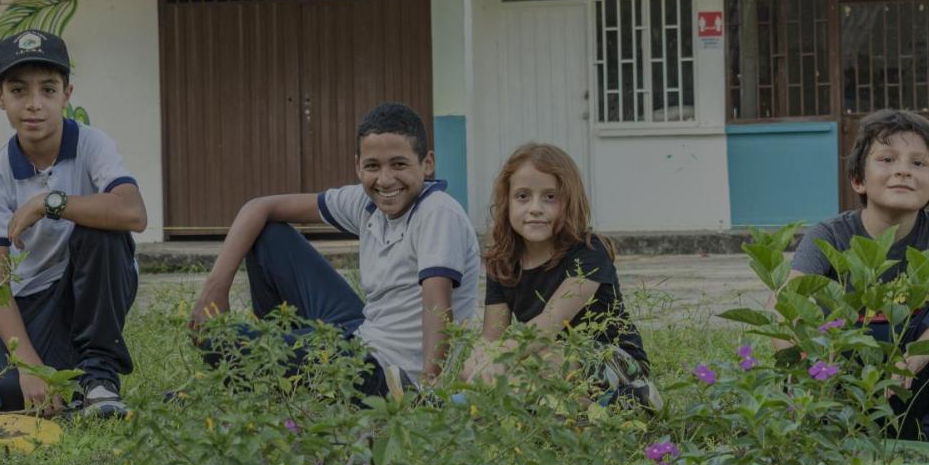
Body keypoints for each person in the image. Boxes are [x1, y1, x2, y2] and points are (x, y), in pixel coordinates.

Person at [192, 101, 480, 395]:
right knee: (269, 234)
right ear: (358, 166)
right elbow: (259, 207)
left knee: (224, 342)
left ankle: (276, 369)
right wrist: (214, 290)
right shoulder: (366, 202)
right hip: (361, 334)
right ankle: (282, 369)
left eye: (399, 164)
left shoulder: (437, 212)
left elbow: (436, 304)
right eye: (372, 166)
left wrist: (429, 388)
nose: (385, 179)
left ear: (427, 163)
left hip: (384, 372)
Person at [0, 30, 146, 417]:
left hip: (93, 284)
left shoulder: (92, 144)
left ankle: (100, 377)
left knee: (100, 229)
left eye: (48, 90)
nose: (34, 104)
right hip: (36, 299)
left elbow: (133, 213)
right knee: (11, 391)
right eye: (19, 91)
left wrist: (49, 203)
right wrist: (29, 368)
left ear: (66, 94)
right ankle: (72, 382)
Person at [789, 109, 929, 443]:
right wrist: (809, 364)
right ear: (858, 180)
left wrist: (928, 343)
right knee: (805, 306)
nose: (903, 170)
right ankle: (825, 429)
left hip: (913, 382)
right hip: (847, 391)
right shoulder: (831, 235)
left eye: (918, 163)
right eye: (887, 159)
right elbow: (783, 303)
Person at [464, 143, 659, 409]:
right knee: (475, 369)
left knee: (542, 363)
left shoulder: (590, 252)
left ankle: (630, 397)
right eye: (523, 196)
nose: (535, 208)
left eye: (550, 197)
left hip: (613, 359)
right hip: (550, 356)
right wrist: (479, 358)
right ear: (506, 202)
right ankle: (592, 406)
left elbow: (550, 322)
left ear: (570, 203)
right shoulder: (503, 262)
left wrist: (503, 357)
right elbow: (491, 336)